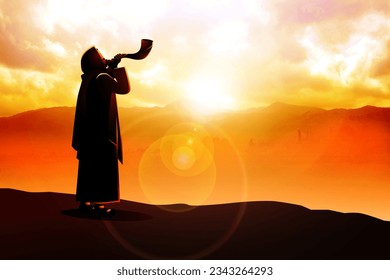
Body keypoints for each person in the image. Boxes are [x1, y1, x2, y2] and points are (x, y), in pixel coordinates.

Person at [72, 46, 130, 216]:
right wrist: (116, 68)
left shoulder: (90, 78)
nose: (105, 59)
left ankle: (85, 202)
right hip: (102, 134)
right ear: (96, 62)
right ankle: (99, 205)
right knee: (101, 169)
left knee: (89, 168)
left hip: (89, 133)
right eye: (102, 58)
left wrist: (110, 68)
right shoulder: (102, 77)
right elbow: (123, 88)